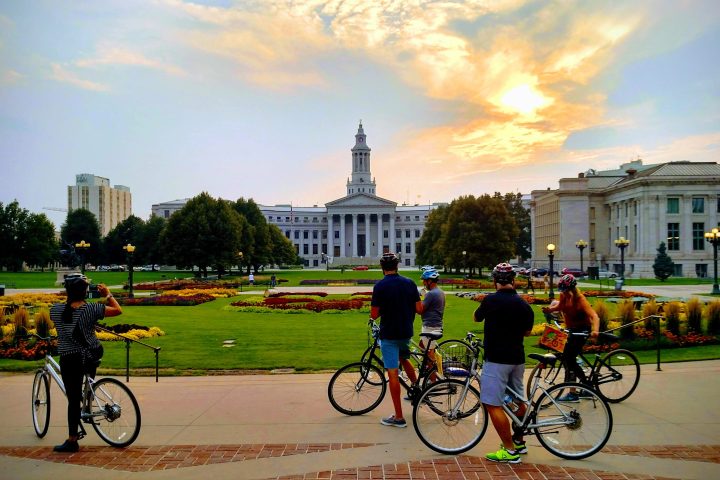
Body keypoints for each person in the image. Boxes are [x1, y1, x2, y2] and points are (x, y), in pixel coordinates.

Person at [49, 275, 122, 453]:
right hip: (91, 353)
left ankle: (72, 440)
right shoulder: (92, 309)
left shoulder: (56, 310)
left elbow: (64, 317)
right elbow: (117, 310)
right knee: (87, 379)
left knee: (73, 400)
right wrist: (107, 294)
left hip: (70, 357)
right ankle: (88, 396)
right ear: (86, 292)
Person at [473, 263, 534, 464]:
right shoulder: (524, 305)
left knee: (492, 403)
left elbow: (476, 318)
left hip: (497, 359)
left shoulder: (491, 301)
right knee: (517, 400)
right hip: (517, 358)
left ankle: (509, 450)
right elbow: (527, 332)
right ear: (514, 280)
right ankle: (519, 440)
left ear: (494, 281)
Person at [370, 252, 422, 428]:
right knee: (405, 358)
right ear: (397, 266)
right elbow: (419, 308)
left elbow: (374, 314)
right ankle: (417, 388)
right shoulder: (409, 283)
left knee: (392, 373)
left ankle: (399, 416)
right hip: (406, 331)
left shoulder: (380, 286)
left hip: (389, 333)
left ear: (382, 268)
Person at [541, 274, 599, 402]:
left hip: (582, 330)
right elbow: (560, 306)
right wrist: (549, 310)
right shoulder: (563, 295)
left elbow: (594, 316)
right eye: (562, 290)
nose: (563, 293)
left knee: (570, 358)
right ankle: (576, 390)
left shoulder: (580, 299)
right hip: (572, 329)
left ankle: (585, 387)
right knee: (568, 358)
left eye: (565, 290)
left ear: (572, 289)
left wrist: (595, 331)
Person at [417, 269, 444, 382]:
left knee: (429, 356)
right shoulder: (439, 292)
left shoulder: (431, 294)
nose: (423, 283)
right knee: (422, 347)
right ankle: (429, 375)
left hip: (430, 327)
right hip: (435, 325)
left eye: (424, 281)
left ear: (430, 281)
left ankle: (432, 381)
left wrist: (417, 297)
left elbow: (420, 310)